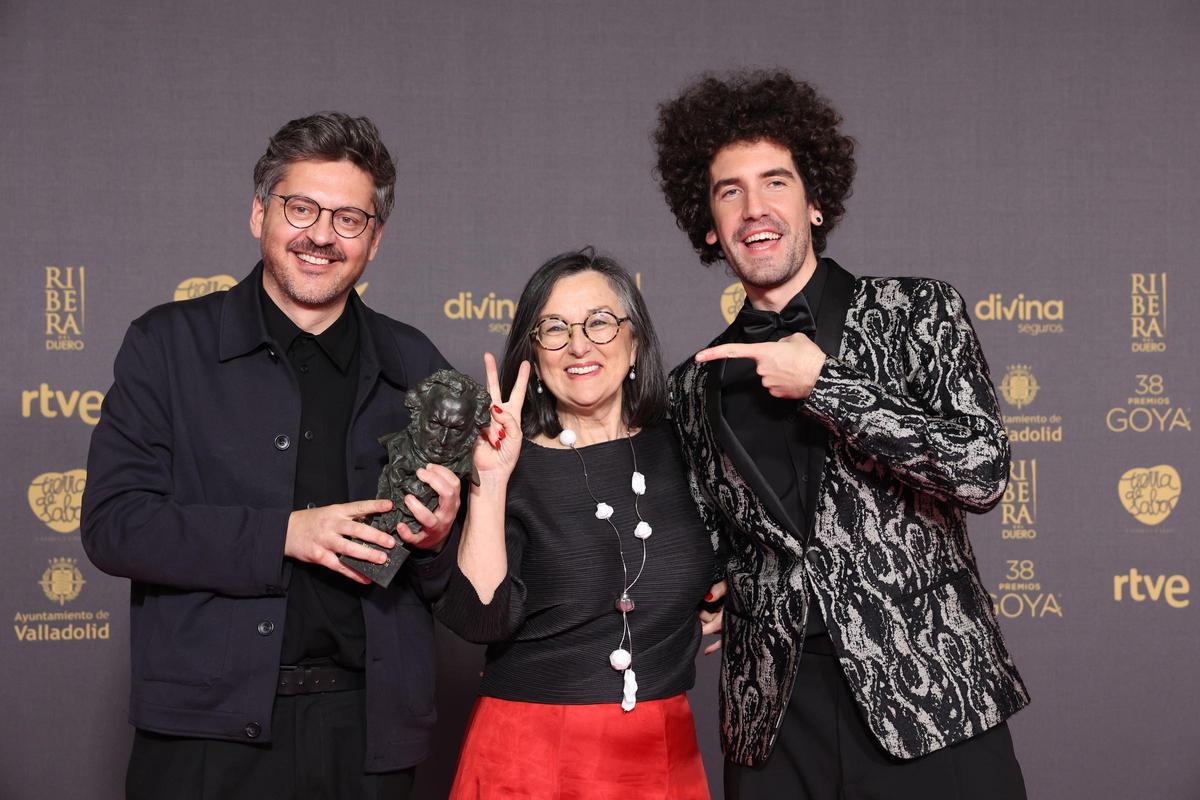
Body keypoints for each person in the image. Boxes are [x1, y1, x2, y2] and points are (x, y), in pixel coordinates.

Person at [654, 71, 1030, 798]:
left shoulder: (916, 311)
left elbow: (981, 470)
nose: (754, 209)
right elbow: (705, 543)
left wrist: (826, 386)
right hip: (775, 723)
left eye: (775, 182)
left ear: (816, 201)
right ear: (706, 223)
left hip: (933, 703)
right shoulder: (692, 385)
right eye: (729, 191)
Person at [81, 112, 462, 800]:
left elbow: (463, 590)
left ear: (375, 240)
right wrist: (284, 533)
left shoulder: (417, 366)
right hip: (203, 736)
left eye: (349, 219)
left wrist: (438, 542)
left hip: (368, 737)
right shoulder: (167, 347)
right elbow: (114, 525)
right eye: (301, 208)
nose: (321, 235)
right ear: (259, 214)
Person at [434, 248, 715, 799]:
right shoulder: (506, 458)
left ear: (635, 341)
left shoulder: (685, 444)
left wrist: (737, 594)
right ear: (533, 355)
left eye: (600, 323)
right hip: (529, 753)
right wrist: (488, 483)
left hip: (660, 748)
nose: (580, 345)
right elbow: (481, 621)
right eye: (555, 329)